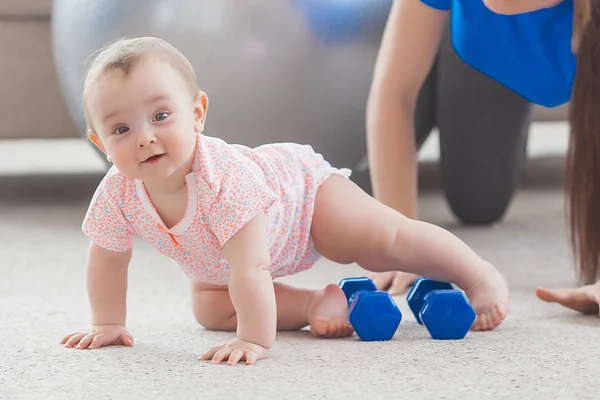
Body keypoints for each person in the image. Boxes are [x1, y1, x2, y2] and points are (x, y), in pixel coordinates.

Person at [60, 36, 509, 365]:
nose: (145, 138)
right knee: (211, 309)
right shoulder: (118, 190)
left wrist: (254, 340)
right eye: (122, 130)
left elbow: (252, 266)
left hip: (301, 202)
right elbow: (107, 261)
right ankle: (315, 305)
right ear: (100, 142)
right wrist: (108, 322)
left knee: (382, 239)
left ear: (197, 114)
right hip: (220, 266)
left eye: (161, 116)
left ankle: (478, 273)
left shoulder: (222, 181)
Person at [365, 0, 600, 309]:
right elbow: (394, 93)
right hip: (470, 45)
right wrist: (403, 242)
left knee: (479, 200)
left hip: (527, 54)